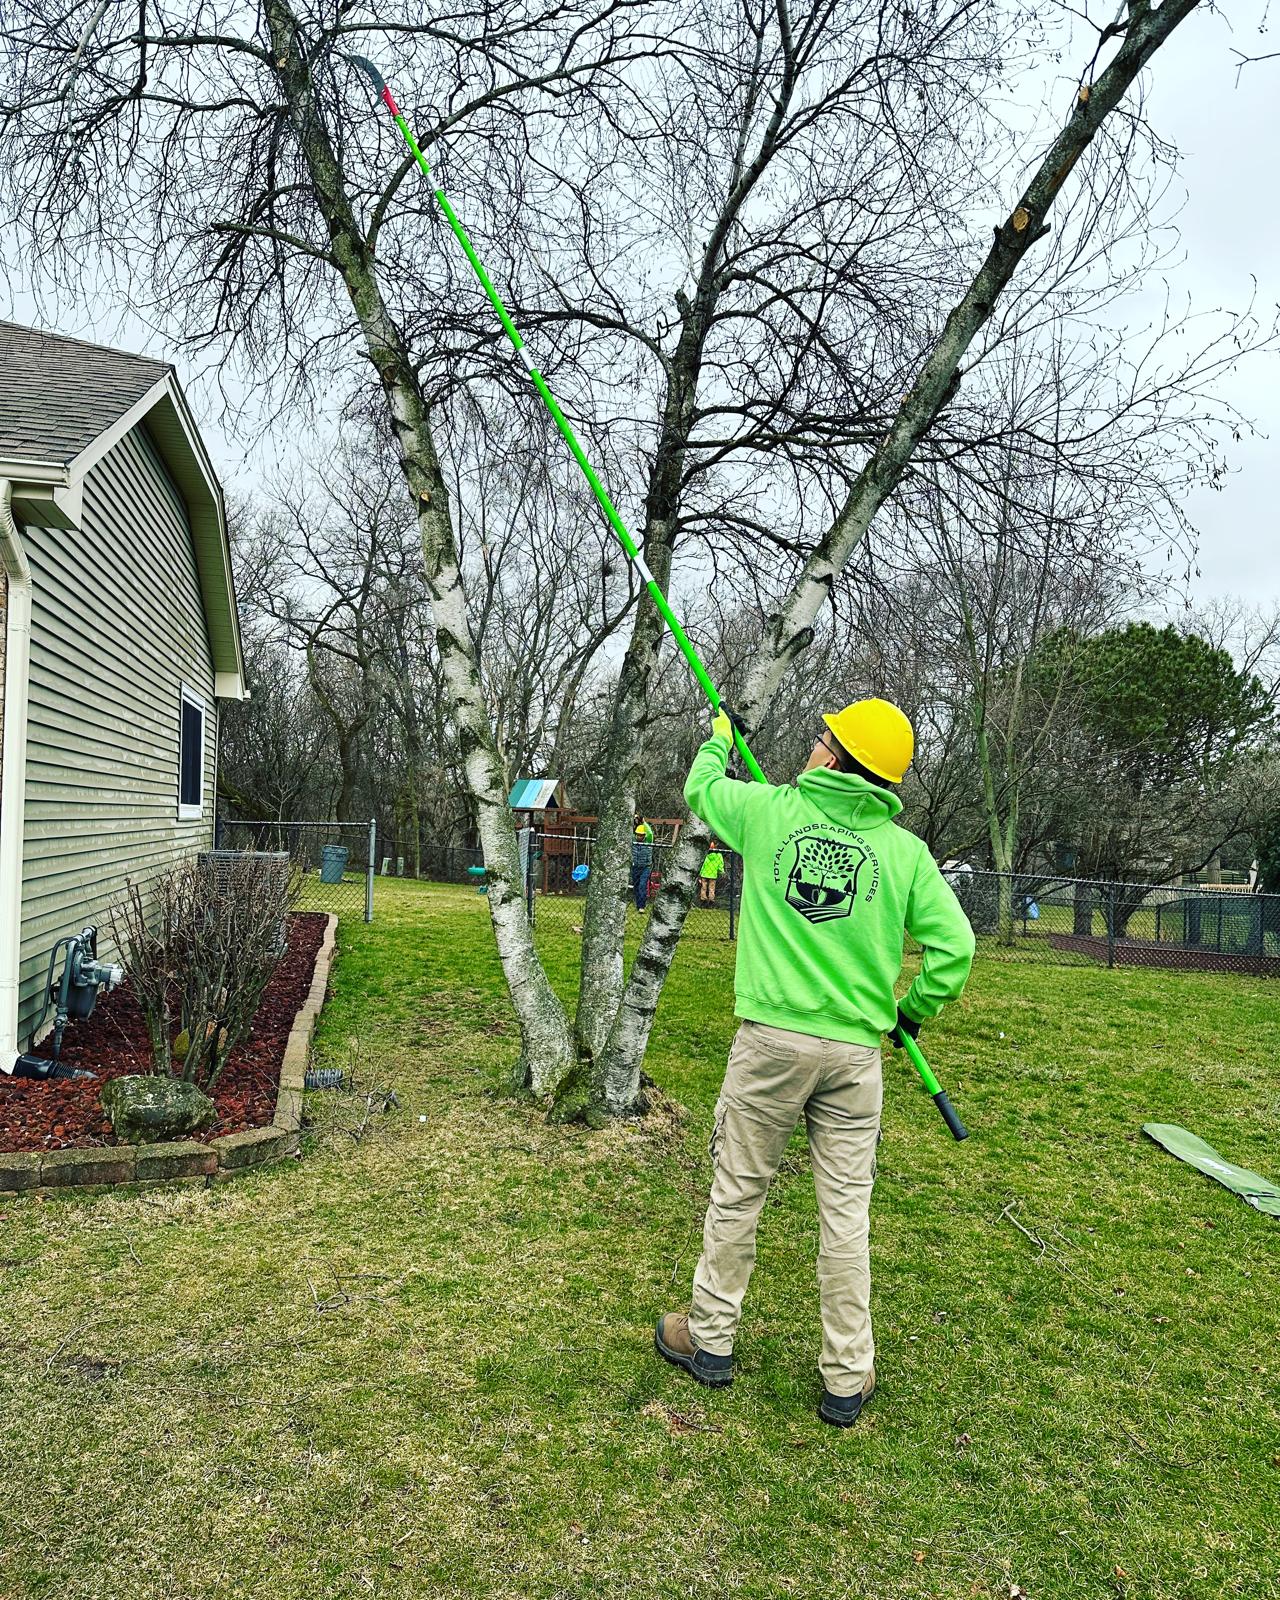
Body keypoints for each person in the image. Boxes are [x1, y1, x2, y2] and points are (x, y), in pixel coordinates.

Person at [655, 699, 975, 1427]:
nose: (811, 742)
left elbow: (703, 791)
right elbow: (955, 950)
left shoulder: (768, 812)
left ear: (837, 758)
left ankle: (709, 1342)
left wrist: (718, 741)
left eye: (822, 737)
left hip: (771, 1045)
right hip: (856, 1057)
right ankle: (845, 1377)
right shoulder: (904, 853)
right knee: (845, 1215)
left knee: (738, 1193)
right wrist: (912, 1010)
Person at [630, 814, 654, 910]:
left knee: (642, 886)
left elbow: (650, 833)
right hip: (635, 866)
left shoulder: (648, 841)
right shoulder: (632, 840)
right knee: (636, 886)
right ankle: (638, 904)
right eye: (638, 835)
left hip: (645, 867)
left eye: (641, 835)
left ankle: (641, 906)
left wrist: (643, 822)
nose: (639, 837)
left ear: (644, 835)